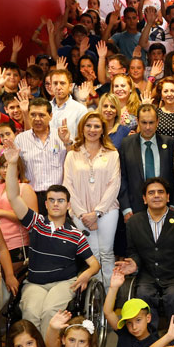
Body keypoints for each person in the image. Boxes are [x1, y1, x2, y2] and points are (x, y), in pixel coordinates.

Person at [1, 139, 100, 334]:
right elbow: (13, 196)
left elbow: (94, 264)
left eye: (61, 201)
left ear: (68, 205)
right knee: (30, 312)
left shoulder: (76, 235)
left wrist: (87, 274)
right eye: (51, 200)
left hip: (64, 283)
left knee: (50, 313)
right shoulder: (36, 223)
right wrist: (12, 164)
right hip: (35, 283)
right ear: (45, 204)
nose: (56, 204)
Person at [117, 177, 174, 330]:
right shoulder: (134, 222)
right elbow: (133, 251)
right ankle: (150, 340)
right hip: (148, 275)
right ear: (145, 199)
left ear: (168, 197)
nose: (156, 195)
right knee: (143, 295)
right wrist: (134, 263)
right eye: (151, 193)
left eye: (161, 192)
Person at [63, 111, 120, 286]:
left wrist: (97, 213)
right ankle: (96, 296)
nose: (92, 130)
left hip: (107, 211)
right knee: (91, 254)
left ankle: (110, 293)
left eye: (97, 126)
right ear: (82, 128)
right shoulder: (72, 154)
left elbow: (114, 184)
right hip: (79, 213)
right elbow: (68, 185)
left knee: (106, 252)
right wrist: (83, 214)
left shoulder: (112, 154)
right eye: (88, 125)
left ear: (103, 130)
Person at [119, 104, 174, 218]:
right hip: (135, 209)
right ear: (137, 121)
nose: (147, 127)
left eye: (151, 122)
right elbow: (122, 177)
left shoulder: (170, 143)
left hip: (166, 207)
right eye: (144, 123)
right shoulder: (126, 144)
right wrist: (126, 208)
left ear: (157, 121)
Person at [0, 153, 38, 274]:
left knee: (11, 283)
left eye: (9, 166)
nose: (5, 170)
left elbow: (34, 222)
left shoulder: (25, 188)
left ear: (18, 168)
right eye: (2, 166)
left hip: (16, 244)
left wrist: (2, 213)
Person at [14, 97, 71, 211]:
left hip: (58, 196)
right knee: (34, 229)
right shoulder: (20, 139)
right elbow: (16, 169)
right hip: (31, 196)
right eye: (33, 115)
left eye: (41, 115)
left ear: (51, 116)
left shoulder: (62, 136)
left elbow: (73, 161)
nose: (37, 119)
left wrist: (67, 142)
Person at [49, 69, 89, 141]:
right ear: (51, 86)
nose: (58, 87)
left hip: (71, 150)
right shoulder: (46, 107)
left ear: (70, 86)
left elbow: (83, 139)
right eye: (55, 83)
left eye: (62, 83)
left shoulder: (80, 110)